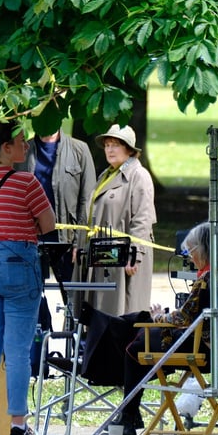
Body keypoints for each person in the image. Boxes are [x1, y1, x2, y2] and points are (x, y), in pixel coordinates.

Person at [104, 222, 218, 435]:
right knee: (148, 343)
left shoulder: (208, 278)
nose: (190, 257)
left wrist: (158, 318)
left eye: (191, 252)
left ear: (203, 250)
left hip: (205, 351)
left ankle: (128, 420)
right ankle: (130, 416)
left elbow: (183, 318)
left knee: (135, 348)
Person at [0, 119, 55, 435]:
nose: (27, 145)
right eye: (20, 140)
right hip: (18, 266)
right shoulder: (26, 183)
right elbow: (48, 225)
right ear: (6, 148)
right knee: (17, 350)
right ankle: (18, 424)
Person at [86, 124, 156, 315]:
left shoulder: (139, 175)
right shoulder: (106, 175)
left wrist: (134, 255)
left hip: (125, 258)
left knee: (124, 313)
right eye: (107, 145)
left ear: (130, 150)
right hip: (105, 254)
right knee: (103, 313)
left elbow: (143, 219)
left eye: (115, 145)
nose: (109, 149)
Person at [15, 128, 96, 280]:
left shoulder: (79, 149)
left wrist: (80, 240)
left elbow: (88, 200)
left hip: (68, 239)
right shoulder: (23, 151)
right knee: (32, 298)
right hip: (31, 241)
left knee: (73, 298)